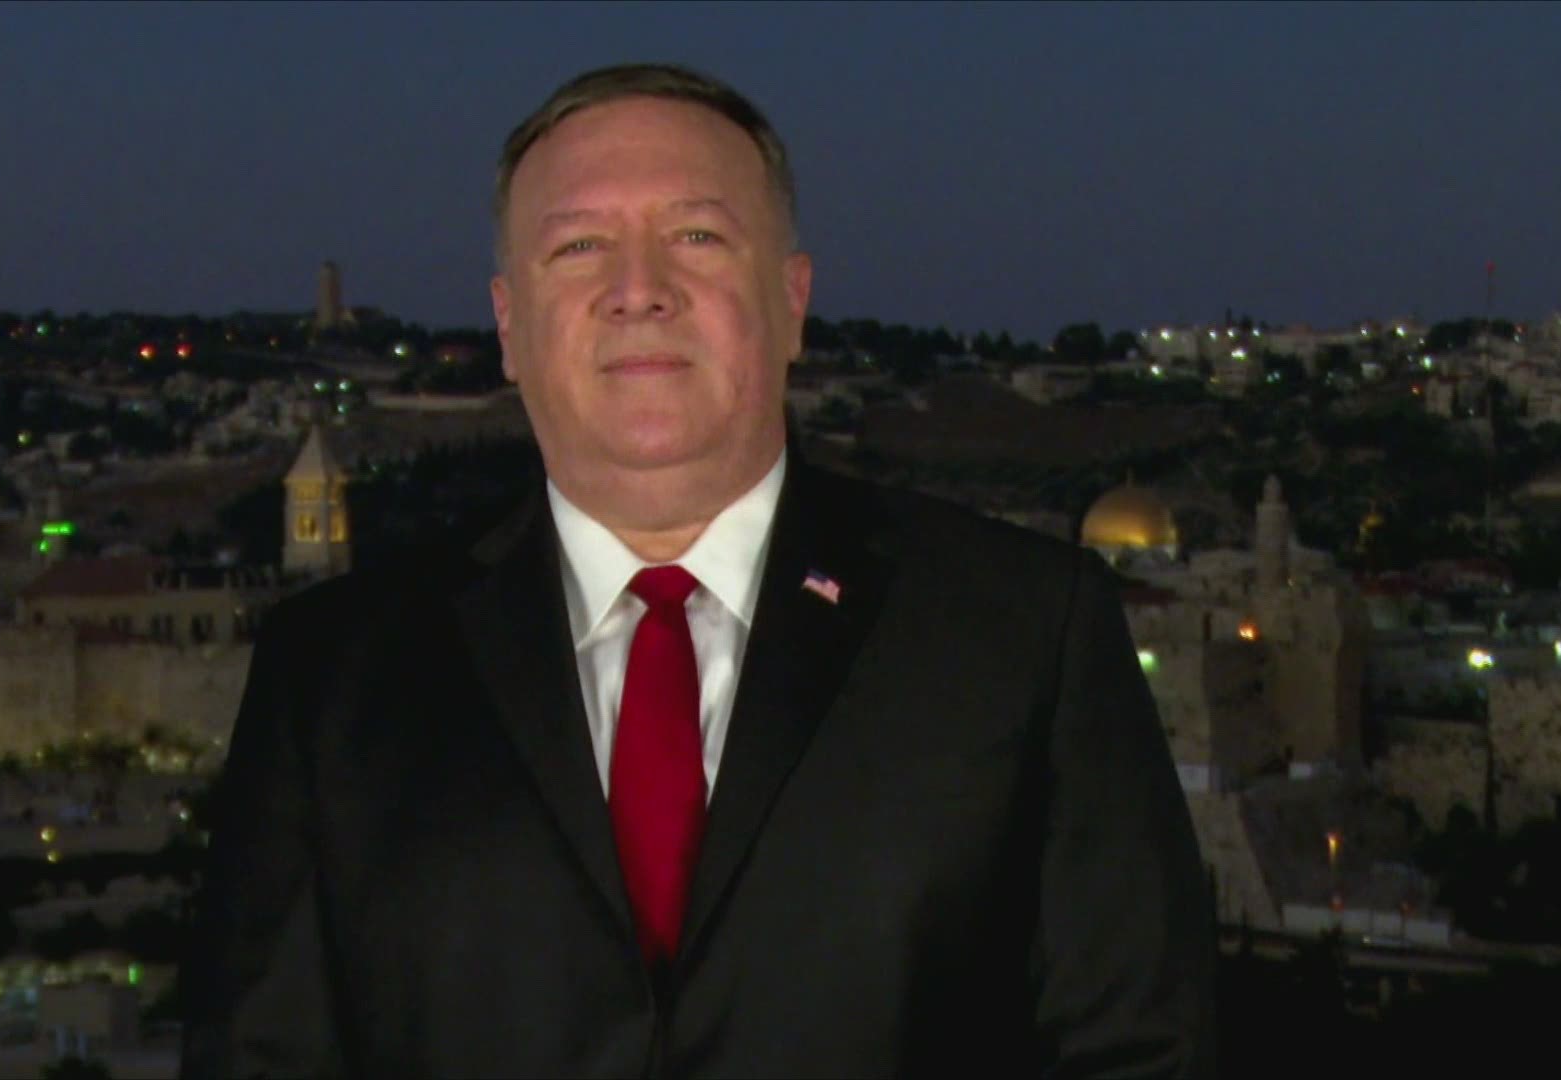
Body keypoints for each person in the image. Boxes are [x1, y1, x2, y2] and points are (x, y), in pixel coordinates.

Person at [182, 62, 1217, 1078]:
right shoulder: (330, 679)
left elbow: (1137, 1052)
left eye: (697, 236)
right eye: (581, 245)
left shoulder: (1027, 634)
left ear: (793, 297)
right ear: (507, 325)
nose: (641, 291)